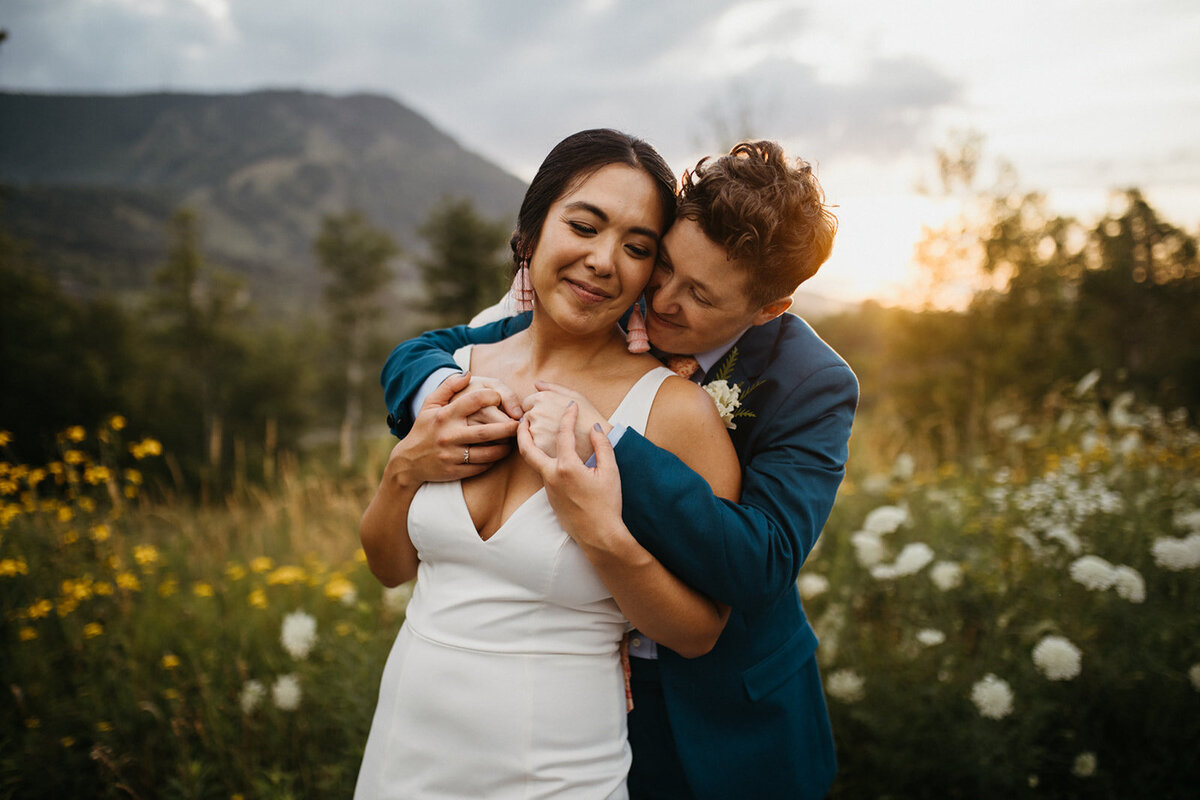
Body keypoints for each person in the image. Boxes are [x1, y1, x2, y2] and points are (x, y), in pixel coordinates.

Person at [380, 140, 858, 800]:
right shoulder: (608, 291)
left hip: (725, 713)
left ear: (767, 309)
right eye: (663, 266)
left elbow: (763, 561)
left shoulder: (812, 383)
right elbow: (433, 349)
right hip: (573, 694)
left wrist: (614, 444)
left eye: (698, 295)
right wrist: (438, 399)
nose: (661, 301)